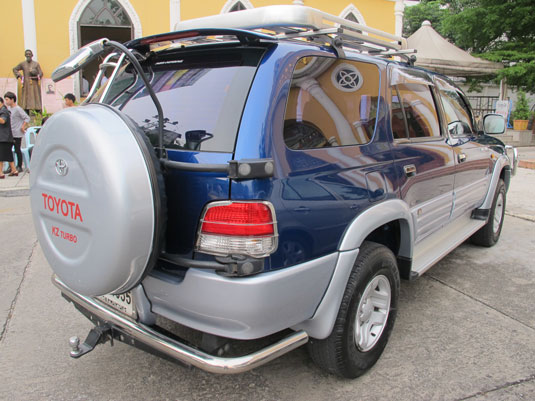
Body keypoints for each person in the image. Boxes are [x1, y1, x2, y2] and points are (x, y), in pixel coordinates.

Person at [4, 92, 30, 172]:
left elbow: (27, 118)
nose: (6, 101)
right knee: (8, 150)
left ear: (12, 99)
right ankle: (11, 167)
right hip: (10, 133)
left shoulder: (18, 109)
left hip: (17, 133)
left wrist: (22, 126)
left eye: (7, 99)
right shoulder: (8, 109)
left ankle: (19, 166)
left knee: (17, 149)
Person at [13, 49, 43, 113]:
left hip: (34, 83)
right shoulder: (22, 64)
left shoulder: (36, 64)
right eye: (27, 54)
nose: (28, 55)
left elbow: (41, 73)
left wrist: (36, 74)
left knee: (35, 96)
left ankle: (37, 110)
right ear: (25, 55)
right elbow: (15, 69)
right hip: (26, 83)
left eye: (29, 54)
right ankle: (26, 110)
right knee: (26, 98)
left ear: (32, 55)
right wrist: (19, 76)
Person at [0, 97, 18, 178]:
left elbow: (2, 121)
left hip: (4, 137)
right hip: (6, 137)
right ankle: (14, 170)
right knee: (8, 154)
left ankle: (0, 173)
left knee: (1, 156)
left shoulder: (3, 111)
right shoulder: (4, 110)